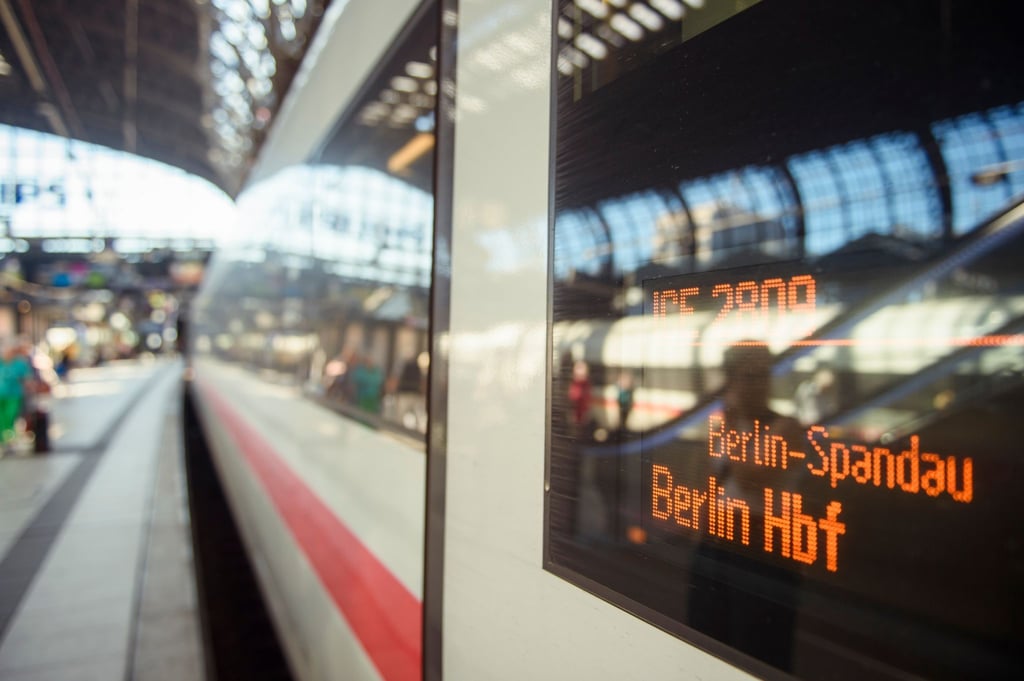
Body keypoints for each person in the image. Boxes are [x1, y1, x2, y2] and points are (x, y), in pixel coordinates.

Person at [0, 340, 34, 453]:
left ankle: (9, 440)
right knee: (1, 419)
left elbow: (28, 379)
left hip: (14, 395)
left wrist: (31, 388)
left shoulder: (19, 363)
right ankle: (4, 441)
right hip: (1, 396)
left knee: (10, 417)